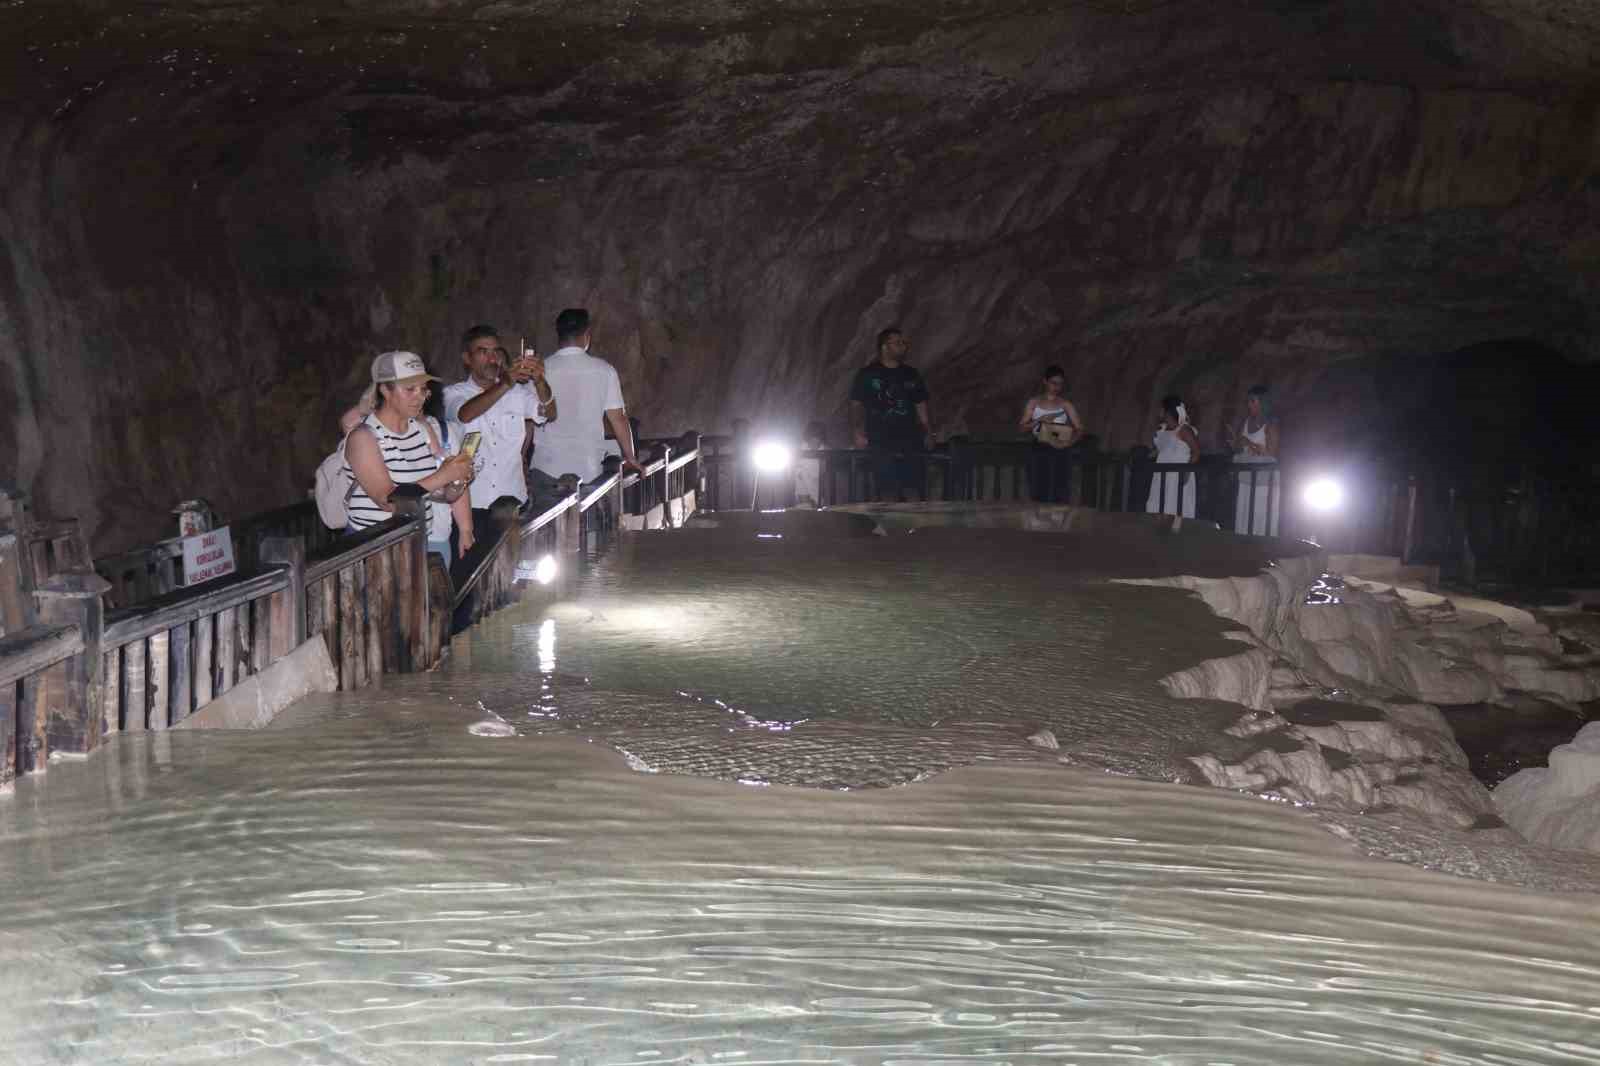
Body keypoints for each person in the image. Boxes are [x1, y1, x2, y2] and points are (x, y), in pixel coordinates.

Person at [344, 351, 475, 561]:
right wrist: (444, 475)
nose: (419, 396)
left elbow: (436, 494)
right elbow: (388, 501)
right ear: (385, 390)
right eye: (409, 389)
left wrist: (457, 481)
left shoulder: (421, 430)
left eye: (423, 389)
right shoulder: (363, 437)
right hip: (373, 551)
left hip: (415, 544)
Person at [530, 308, 642, 502]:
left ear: (559, 335)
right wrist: (631, 458)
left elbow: (529, 422)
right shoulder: (604, 371)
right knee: (587, 529)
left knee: (543, 527)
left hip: (545, 467)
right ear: (586, 335)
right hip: (587, 469)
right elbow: (618, 419)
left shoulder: (539, 370)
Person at [849, 326, 933, 501]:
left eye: (904, 343)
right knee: (887, 489)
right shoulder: (868, 374)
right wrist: (857, 431)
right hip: (880, 437)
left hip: (909, 436)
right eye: (898, 343)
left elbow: (920, 403)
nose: (903, 346)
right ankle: (890, 527)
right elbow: (856, 404)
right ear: (885, 347)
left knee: (913, 487)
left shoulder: (911, 374)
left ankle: (914, 527)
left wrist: (927, 431)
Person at [1017, 365, 1084, 501]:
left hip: (1060, 449)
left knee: (1060, 489)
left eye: (1060, 384)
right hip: (1039, 448)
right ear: (1045, 382)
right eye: (1054, 383)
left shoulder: (1066, 404)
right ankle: (1040, 520)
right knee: (1038, 488)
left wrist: (1069, 443)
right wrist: (1039, 420)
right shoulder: (1034, 402)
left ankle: (1059, 521)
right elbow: (1022, 428)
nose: (1057, 387)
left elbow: (1080, 429)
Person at [1229, 384, 1281, 535]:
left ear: (1263, 403)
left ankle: (1261, 547)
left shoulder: (1271, 425)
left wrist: (1249, 443)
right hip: (1247, 476)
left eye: (1253, 401)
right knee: (1245, 511)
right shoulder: (1246, 422)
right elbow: (1241, 449)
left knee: (1260, 513)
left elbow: (1272, 453)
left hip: (1264, 479)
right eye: (1248, 401)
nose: (1249, 405)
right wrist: (1236, 443)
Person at [1146, 395, 1198, 517]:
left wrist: (1186, 473)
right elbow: (1160, 451)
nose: (1158, 411)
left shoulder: (1184, 430)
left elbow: (1196, 452)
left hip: (1178, 477)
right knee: (1159, 507)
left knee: (1176, 508)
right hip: (1162, 476)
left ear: (1167, 411)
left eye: (1161, 408)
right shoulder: (1162, 430)